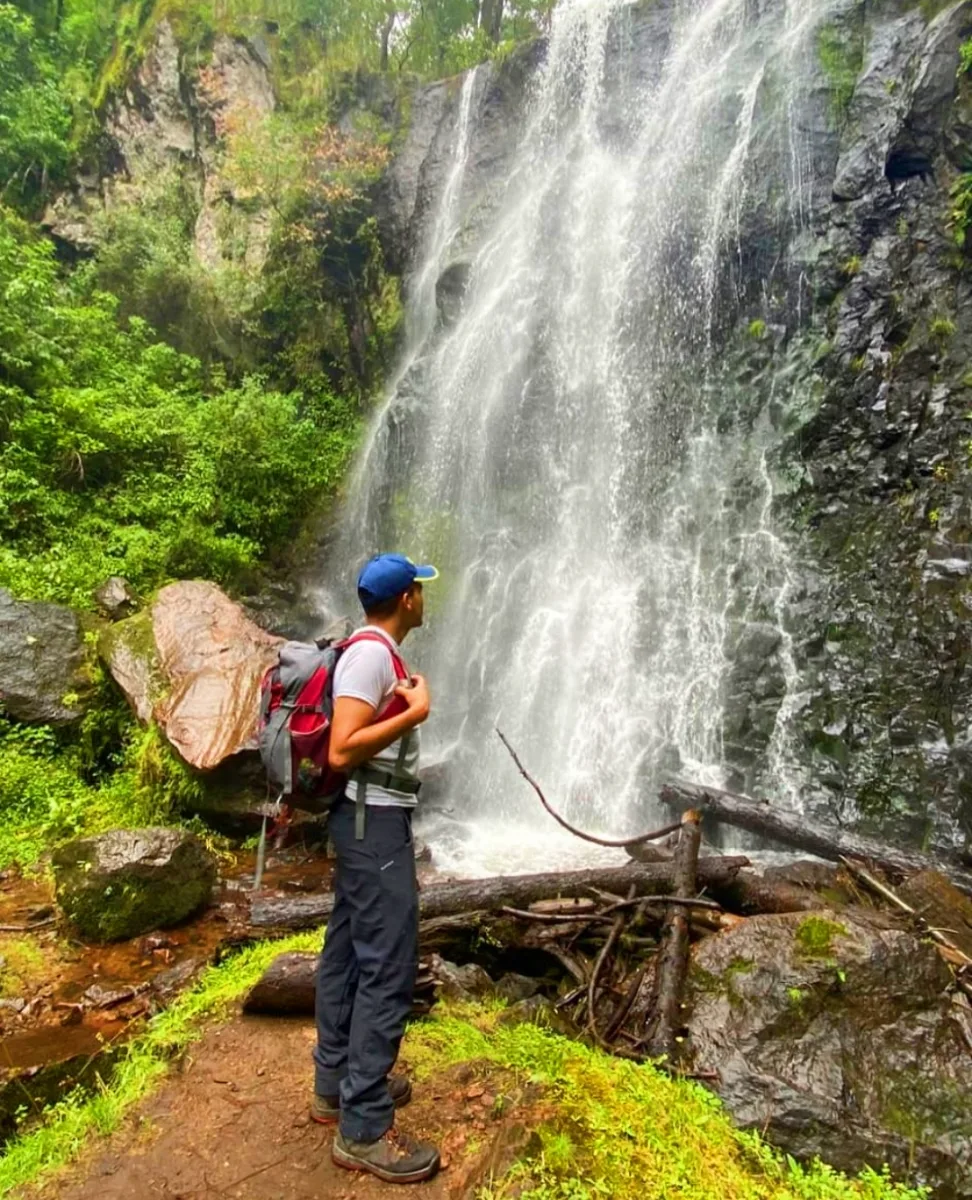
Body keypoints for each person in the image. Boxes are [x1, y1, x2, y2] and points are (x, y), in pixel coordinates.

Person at [311, 553, 441, 1184]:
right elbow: (341, 747)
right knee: (388, 964)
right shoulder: (368, 656)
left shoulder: (373, 652)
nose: (424, 596)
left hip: (363, 822)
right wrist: (414, 714)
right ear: (406, 599)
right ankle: (362, 1127)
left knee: (346, 952)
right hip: (372, 824)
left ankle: (335, 1084)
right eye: (419, 588)